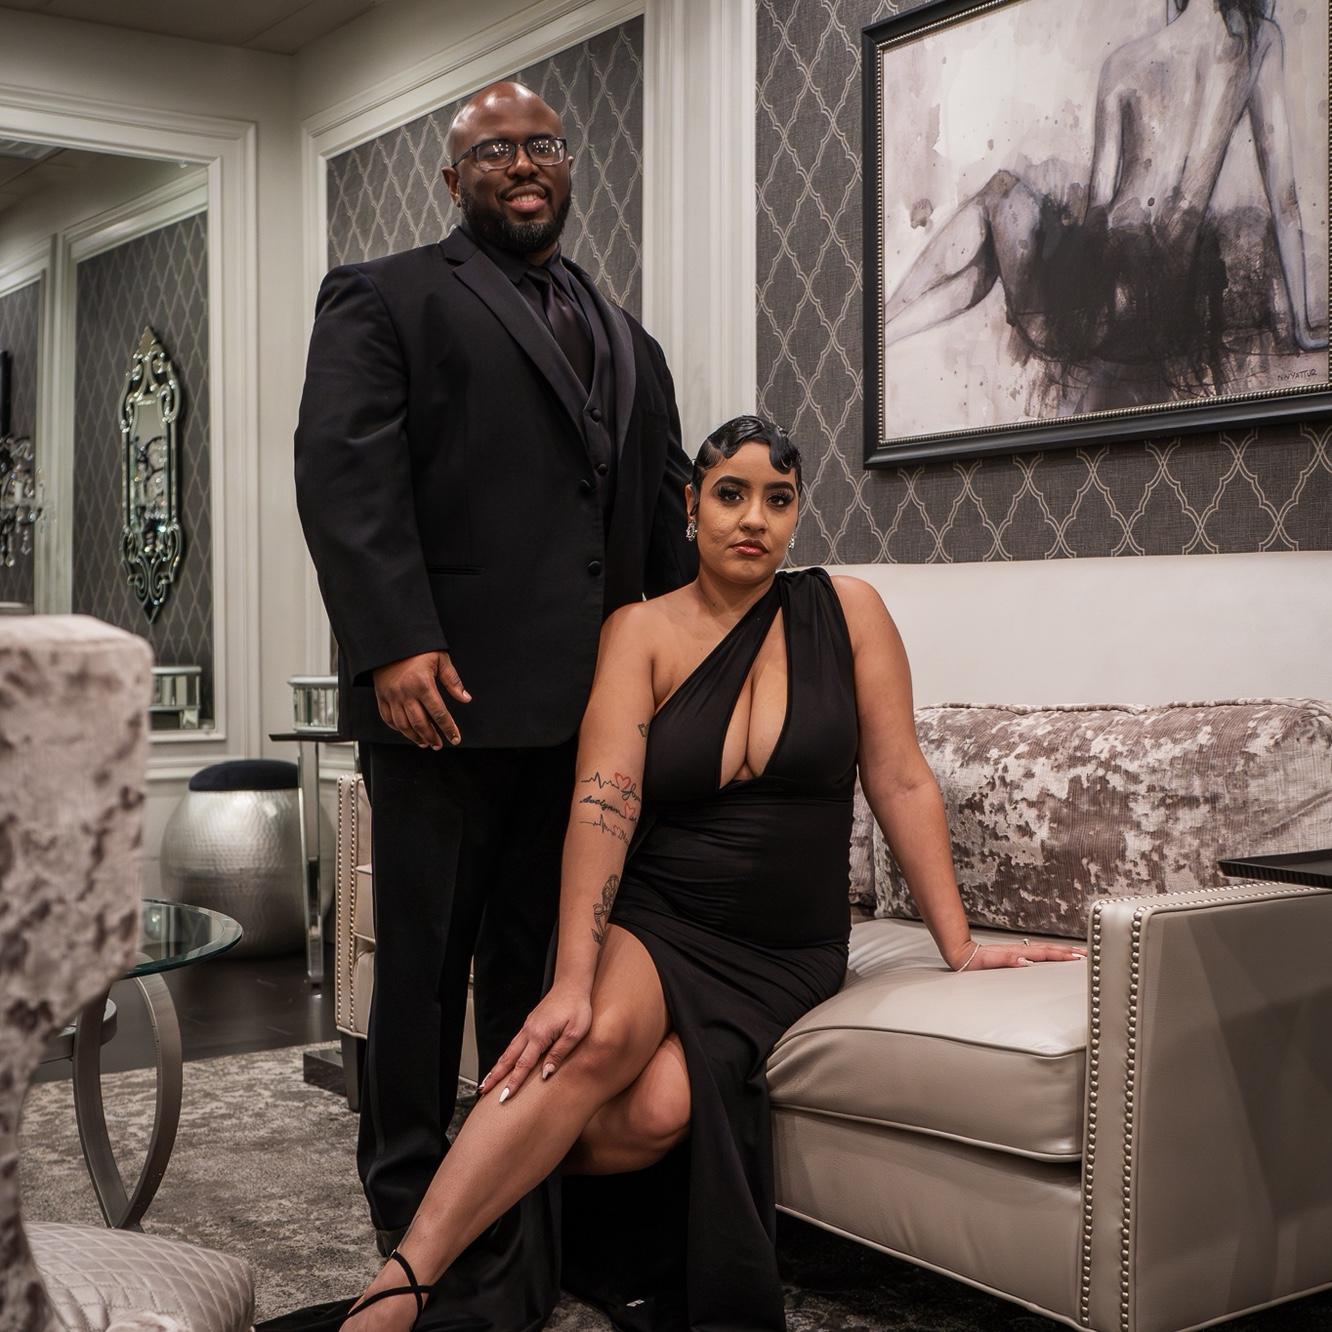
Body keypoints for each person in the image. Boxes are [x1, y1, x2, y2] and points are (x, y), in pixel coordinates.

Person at [268, 416, 1085, 1332]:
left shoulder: (849, 612)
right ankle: (404, 1283)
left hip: (787, 947)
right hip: (667, 912)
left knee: (659, 1113)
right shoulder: (641, 631)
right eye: (731, 495)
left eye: (778, 499)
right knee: (594, 1038)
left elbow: (900, 780)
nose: (754, 519)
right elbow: (603, 804)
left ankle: (495, 1167)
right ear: (692, 506)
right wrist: (572, 978)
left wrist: (960, 945)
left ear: (797, 512)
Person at [293, 79, 696, 1262]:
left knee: (535, 968)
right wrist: (390, 642)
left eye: (543, 146)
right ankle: (405, 1200)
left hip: (589, 722)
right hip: (444, 702)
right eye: (493, 150)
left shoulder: (629, 338)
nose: (523, 164)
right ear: (454, 177)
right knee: (422, 970)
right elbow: (344, 475)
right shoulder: (385, 295)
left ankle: (510, 1188)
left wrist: (683, 666)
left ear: (568, 167)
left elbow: (659, 514)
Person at [882, 0, 1327, 408]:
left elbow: (1098, 214)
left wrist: (1059, 237)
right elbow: (1284, 201)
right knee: (989, 263)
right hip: (1159, 309)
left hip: (1097, 307)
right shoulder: (1260, 41)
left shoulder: (1125, 64)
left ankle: (883, 319)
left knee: (999, 191)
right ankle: (887, 333)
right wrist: (1303, 329)